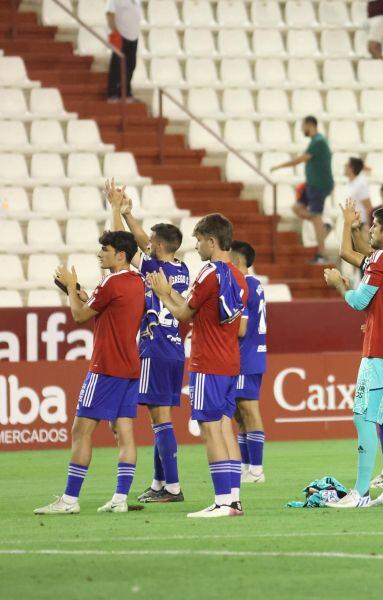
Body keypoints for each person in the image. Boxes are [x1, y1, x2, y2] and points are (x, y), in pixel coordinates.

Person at [34, 230, 144, 515]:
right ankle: (120, 499)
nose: (99, 254)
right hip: (130, 367)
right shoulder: (137, 281)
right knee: (125, 432)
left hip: (106, 367)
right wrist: (80, 292)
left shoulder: (111, 282)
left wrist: (71, 288)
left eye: (104, 250)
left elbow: (80, 315)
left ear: (120, 255)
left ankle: (70, 500)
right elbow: (105, 307)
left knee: (81, 430)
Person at [146, 214, 248, 518]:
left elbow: (183, 313)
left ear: (212, 241)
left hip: (207, 362)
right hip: (230, 362)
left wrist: (162, 293)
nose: (197, 245)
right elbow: (193, 306)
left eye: (199, 240)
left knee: (210, 430)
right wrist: (170, 294)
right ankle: (232, 499)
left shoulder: (208, 273)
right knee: (225, 430)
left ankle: (221, 502)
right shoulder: (238, 275)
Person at [322, 206, 383, 508]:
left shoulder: (380, 260)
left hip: (377, 353)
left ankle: (360, 493)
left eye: (374, 226)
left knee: (362, 417)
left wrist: (339, 286)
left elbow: (360, 300)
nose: (371, 231)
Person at [108, 180, 188, 504]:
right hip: (176, 350)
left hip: (154, 349)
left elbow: (135, 246)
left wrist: (121, 212)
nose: (147, 243)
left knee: (160, 420)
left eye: (151, 241)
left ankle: (172, 487)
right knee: (162, 419)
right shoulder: (181, 268)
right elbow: (144, 241)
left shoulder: (153, 266)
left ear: (157, 246)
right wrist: (130, 215)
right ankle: (158, 483)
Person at [271, 116, 334, 264]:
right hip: (312, 185)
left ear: (310, 125)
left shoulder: (318, 141)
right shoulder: (315, 141)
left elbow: (301, 159)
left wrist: (280, 166)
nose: (301, 129)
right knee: (297, 208)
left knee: (316, 215)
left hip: (319, 185)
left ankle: (322, 253)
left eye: (303, 126)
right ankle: (323, 229)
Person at [231, 241, 268, 484]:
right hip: (251, 355)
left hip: (245, 356)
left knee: (249, 411)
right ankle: (247, 467)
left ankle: (256, 470)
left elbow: (240, 329)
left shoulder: (242, 284)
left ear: (236, 260)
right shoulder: (255, 284)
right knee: (240, 415)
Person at [105, 0, 141, 102]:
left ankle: (126, 92)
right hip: (121, 36)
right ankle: (112, 94)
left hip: (133, 36)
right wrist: (115, 32)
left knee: (131, 65)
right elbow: (109, 14)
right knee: (116, 66)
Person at [345, 157, 373, 226]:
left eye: (346, 166)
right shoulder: (351, 184)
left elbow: (368, 207)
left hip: (360, 224)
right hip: (353, 222)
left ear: (351, 168)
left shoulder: (361, 184)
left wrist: (368, 226)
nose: (344, 167)